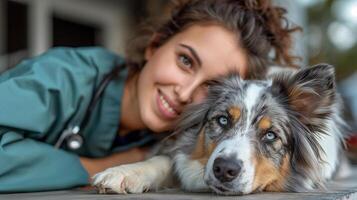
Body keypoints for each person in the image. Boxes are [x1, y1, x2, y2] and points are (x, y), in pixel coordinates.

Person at [0, 0, 299, 193]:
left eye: (210, 86)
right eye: (185, 61)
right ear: (155, 46)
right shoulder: (63, 76)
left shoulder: (193, 138)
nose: (183, 92)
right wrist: (97, 167)